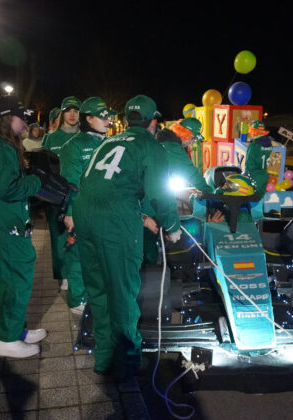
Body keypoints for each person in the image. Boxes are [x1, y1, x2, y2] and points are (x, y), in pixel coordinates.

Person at [74, 94, 181, 381]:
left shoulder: (107, 141)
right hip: (115, 222)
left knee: (98, 290)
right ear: (153, 122)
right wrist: (172, 227)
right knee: (122, 292)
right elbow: (160, 193)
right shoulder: (150, 146)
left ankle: (104, 357)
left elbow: (85, 181)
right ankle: (127, 363)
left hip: (84, 216)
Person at [0, 96, 48, 358]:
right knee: (16, 279)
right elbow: (7, 188)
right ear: (7, 118)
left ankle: (15, 330)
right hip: (4, 222)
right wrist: (36, 183)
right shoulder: (0, 149)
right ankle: (7, 339)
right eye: (21, 116)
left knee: (10, 278)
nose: (26, 122)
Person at [59, 97, 116, 314]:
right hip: (83, 209)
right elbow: (69, 183)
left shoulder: (110, 142)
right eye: (102, 116)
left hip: (106, 210)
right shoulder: (73, 146)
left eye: (108, 115)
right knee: (78, 256)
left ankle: (97, 295)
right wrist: (71, 213)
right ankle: (77, 300)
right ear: (88, 118)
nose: (107, 119)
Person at [142, 118, 215, 264]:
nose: (193, 142)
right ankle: (151, 276)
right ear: (184, 134)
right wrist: (211, 193)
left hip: (139, 200)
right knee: (149, 245)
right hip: (150, 202)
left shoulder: (158, 143)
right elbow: (192, 174)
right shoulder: (173, 149)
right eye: (193, 138)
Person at [42, 96, 81, 290]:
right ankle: (64, 274)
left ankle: (79, 272)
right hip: (56, 197)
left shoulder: (84, 136)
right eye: (68, 110)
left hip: (79, 195)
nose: (72, 114)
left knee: (80, 235)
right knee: (59, 237)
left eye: (76, 110)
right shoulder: (51, 138)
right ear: (62, 113)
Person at [244, 120, 274, 197]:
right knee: (259, 200)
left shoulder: (253, 146)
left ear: (253, 131)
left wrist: (246, 175)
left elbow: (249, 163)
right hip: (264, 175)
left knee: (250, 200)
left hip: (254, 175)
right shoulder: (269, 144)